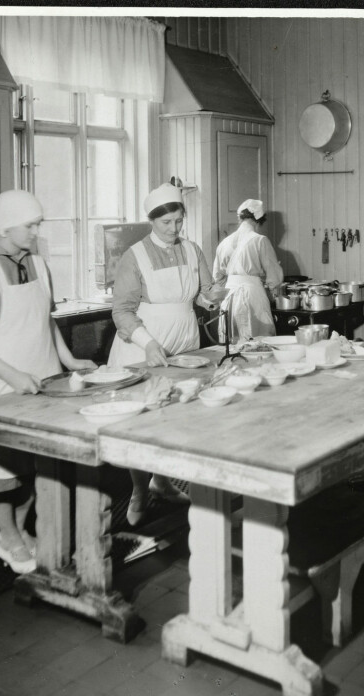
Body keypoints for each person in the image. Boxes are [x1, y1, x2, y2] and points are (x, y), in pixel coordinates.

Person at [0, 190, 96, 574]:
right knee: (0, 472)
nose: (36, 232)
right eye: (30, 225)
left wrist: (69, 359)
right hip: (1, 387)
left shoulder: (38, 263)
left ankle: (17, 531)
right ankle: (10, 537)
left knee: (35, 464)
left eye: (38, 224)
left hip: (42, 380)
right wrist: (13, 376)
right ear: (6, 225)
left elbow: (44, 320)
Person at [110, 182, 222, 524]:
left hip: (184, 339)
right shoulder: (135, 257)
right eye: (166, 224)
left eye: (178, 221)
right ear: (151, 222)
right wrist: (147, 341)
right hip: (145, 343)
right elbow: (122, 311)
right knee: (143, 424)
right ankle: (139, 490)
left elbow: (203, 293)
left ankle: (162, 482)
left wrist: (213, 296)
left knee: (177, 417)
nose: (174, 229)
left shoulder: (192, 249)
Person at [213, 199, 284, 342]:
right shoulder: (260, 240)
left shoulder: (224, 243)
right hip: (252, 295)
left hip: (229, 296)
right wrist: (266, 282)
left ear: (240, 218)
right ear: (259, 220)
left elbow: (218, 277)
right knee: (259, 342)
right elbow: (274, 278)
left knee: (232, 344)